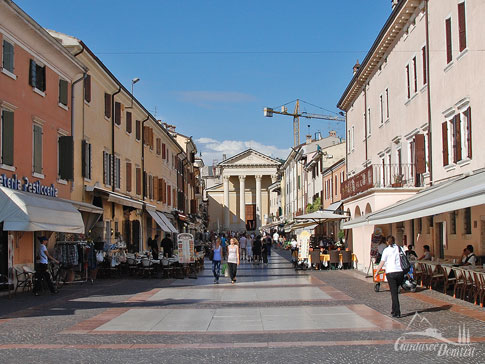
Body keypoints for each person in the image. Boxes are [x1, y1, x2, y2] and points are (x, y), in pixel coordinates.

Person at [374, 235, 404, 318]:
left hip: (391, 273)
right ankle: (393, 310)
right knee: (395, 291)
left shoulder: (386, 250)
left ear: (387, 242)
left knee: (394, 293)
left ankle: (397, 312)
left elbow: (382, 262)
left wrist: (377, 272)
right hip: (400, 272)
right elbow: (404, 259)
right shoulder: (400, 248)